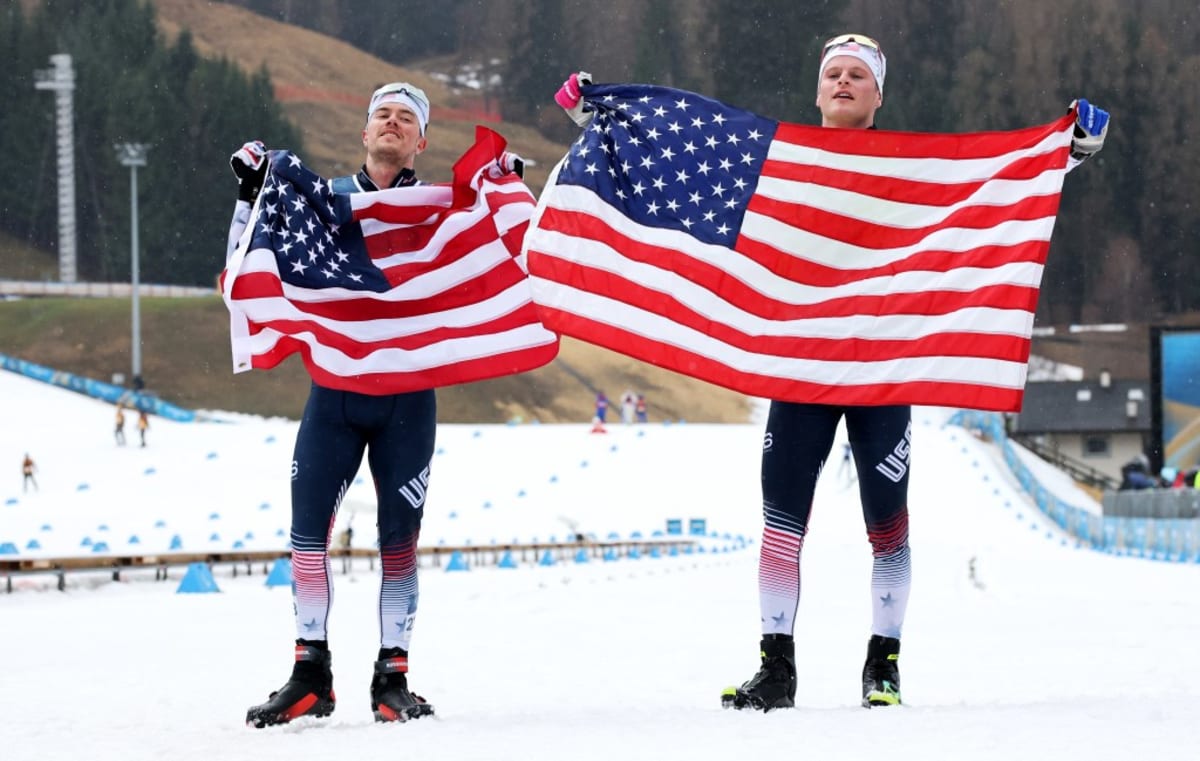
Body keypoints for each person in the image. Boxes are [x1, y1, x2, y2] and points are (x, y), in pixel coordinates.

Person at [556, 33, 1109, 713]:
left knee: (888, 527)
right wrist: (600, 121)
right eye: (833, 74)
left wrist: (1066, 151)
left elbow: (991, 189)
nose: (843, 82)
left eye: (857, 75)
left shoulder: (912, 168)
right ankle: (776, 667)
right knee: (781, 522)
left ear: (878, 95)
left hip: (881, 369)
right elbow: (678, 167)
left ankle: (883, 666)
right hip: (800, 366)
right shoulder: (777, 160)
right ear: (818, 91)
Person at [231, 82, 441, 728]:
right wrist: (251, 194)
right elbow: (248, 261)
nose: (393, 123)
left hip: (407, 399)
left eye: (406, 119)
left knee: (399, 543)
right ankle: (310, 676)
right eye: (383, 114)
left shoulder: (442, 212)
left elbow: (505, 251)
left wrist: (505, 188)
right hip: (336, 393)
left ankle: (392, 679)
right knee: (306, 537)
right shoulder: (322, 203)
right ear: (364, 132)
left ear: (421, 141)